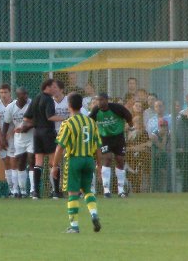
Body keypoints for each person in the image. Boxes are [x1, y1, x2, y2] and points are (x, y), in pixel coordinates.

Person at [52, 92, 102, 233]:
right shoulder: (91, 122)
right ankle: (94, 214)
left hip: (74, 160)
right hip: (89, 160)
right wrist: (99, 165)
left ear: (69, 106)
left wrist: (54, 166)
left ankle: (74, 226)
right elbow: (98, 146)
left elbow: (60, 147)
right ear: (81, 105)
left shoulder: (68, 123)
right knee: (87, 190)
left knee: (73, 193)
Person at [23, 79, 64, 199]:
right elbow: (50, 117)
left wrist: (36, 122)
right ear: (47, 87)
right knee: (53, 162)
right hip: (47, 132)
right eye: (53, 87)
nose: (54, 89)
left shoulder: (36, 98)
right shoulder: (48, 99)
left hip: (37, 133)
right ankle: (56, 192)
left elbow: (26, 118)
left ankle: (36, 192)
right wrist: (65, 118)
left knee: (38, 162)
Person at [89, 93, 133, 198]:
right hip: (104, 138)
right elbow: (89, 121)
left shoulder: (117, 108)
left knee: (120, 160)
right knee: (107, 159)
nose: (99, 102)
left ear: (106, 100)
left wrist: (131, 127)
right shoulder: (95, 110)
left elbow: (128, 116)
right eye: (98, 100)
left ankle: (121, 190)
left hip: (118, 137)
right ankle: (106, 190)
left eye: (101, 100)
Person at [3, 87, 33, 198]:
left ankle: (32, 190)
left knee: (32, 161)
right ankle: (20, 190)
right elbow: (6, 123)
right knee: (19, 163)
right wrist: (3, 139)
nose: (25, 97)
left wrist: (26, 128)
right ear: (18, 96)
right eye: (22, 95)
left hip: (31, 137)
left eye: (26, 94)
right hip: (18, 139)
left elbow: (36, 121)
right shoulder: (10, 107)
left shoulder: (32, 104)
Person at [0, 83, 15, 196]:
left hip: (13, 137)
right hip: (1, 138)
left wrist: (8, 135)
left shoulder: (15, 104)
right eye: (1, 92)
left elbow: (17, 122)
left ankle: (18, 189)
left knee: (14, 162)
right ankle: (11, 190)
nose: (3, 95)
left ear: (10, 92)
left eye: (5, 92)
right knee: (6, 162)